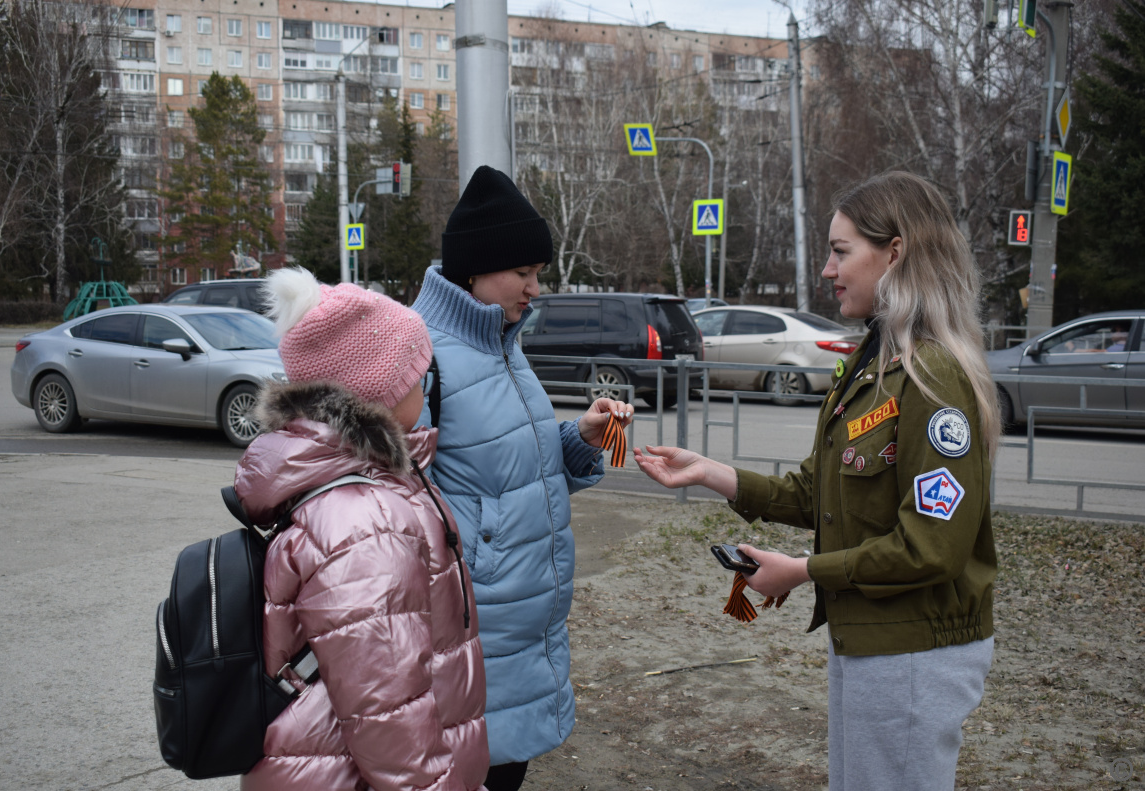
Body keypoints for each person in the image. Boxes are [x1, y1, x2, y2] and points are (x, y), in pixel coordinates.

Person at [634, 171, 999, 791]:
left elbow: (930, 549)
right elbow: (817, 494)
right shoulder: (873, 362)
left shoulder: (931, 376)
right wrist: (711, 473)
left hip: (910, 654)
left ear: (896, 252)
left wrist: (801, 570)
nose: (827, 271)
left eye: (840, 251)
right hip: (876, 642)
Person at [412, 165, 634, 791]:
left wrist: (578, 438)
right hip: (471, 625)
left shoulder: (502, 343)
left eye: (539, 274)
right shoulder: (420, 355)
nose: (537, 288)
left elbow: (505, 470)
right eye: (526, 273)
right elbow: (391, 505)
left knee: (505, 770)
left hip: (518, 623)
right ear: (478, 269)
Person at [235, 268, 489, 791]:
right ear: (382, 394)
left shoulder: (365, 489)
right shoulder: (366, 523)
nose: (426, 385)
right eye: (419, 374)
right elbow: (388, 712)